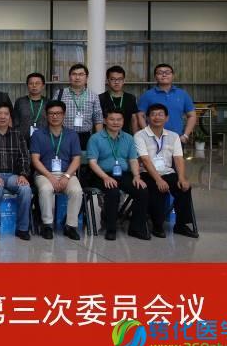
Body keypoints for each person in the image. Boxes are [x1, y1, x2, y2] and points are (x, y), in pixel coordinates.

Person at [134, 103, 198, 238]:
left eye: (160, 114)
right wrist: (158, 180)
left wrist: (181, 178)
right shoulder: (140, 136)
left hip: (167, 172)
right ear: (147, 118)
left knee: (184, 188)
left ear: (167, 118)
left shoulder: (174, 136)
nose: (157, 117)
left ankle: (181, 225)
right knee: (157, 189)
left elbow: (178, 158)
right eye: (153, 114)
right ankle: (157, 226)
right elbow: (145, 160)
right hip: (147, 173)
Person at [87, 109, 146, 241]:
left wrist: (137, 176)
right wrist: (105, 177)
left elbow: (133, 159)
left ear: (123, 121)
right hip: (101, 175)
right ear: (105, 121)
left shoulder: (129, 138)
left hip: (123, 174)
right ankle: (111, 229)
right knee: (113, 191)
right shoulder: (96, 138)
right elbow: (92, 162)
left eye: (119, 120)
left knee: (142, 190)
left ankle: (136, 228)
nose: (115, 122)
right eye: (112, 119)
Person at [29, 100, 83, 240]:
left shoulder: (72, 135)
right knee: (46, 189)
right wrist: (50, 177)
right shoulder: (38, 135)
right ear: (46, 115)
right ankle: (47, 225)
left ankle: (70, 226)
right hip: (44, 174)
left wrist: (66, 176)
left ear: (64, 115)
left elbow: (76, 159)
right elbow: (35, 160)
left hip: (67, 173)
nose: (55, 116)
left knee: (77, 191)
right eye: (51, 113)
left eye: (58, 113)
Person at [0, 103, 33, 241]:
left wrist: (23, 175)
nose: (2, 117)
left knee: (25, 189)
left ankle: (22, 228)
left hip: (12, 175)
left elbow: (24, 157)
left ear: (10, 117)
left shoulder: (18, 134)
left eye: (6, 114)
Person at [135, 64, 197, 147]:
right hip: (153, 140)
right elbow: (140, 115)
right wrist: (147, 134)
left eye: (167, 72)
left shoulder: (182, 94)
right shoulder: (147, 95)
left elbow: (192, 115)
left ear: (173, 75)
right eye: (160, 73)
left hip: (177, 139)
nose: (164, 75)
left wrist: (185, 135)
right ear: (155, 76)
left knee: (177, 156)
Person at [55, 63, 104, 149]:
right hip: (63, 135)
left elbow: (98, 119)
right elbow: (53, 114)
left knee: (85, 157)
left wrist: (99, 140)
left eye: (81, 74)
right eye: (74, 74)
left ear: (86, 78)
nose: (77, 77)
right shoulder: (60, 94)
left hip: (85, 137)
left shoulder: (93, 96)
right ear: (69, 77)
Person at [100, 65, 140, 133]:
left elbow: (134, 119)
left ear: (124, 81)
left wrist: (136, 136)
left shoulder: (131, 98)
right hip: (106, 136)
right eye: (113, 79)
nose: (116, 82)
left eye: (120, 79)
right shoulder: (100, 98)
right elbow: (98, 121)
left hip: (126, 135)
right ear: (107, 81)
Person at [13, 72, 48, 140]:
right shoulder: (20, 102)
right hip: (22, 140)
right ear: (27, 85)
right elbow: (15, 121)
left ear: (43, 86)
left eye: (37, 83)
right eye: (31, 83)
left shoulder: (48, 103)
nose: (34, 85)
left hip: (43, 139)